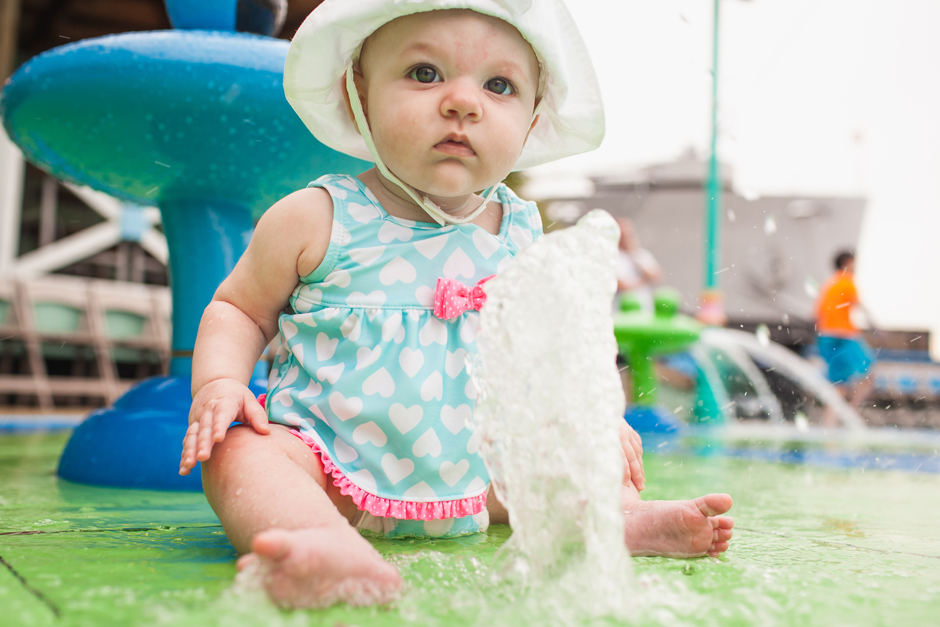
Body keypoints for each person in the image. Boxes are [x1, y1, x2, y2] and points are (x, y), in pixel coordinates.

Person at [178, 0, 734, 609]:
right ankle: (319, 540)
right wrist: (220, 381)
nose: (462, 102)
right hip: (332, 466)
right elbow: (239, 309)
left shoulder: (521, 233)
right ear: (356, 92)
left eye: (499, 86)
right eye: (424, 73)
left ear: (532, 119)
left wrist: (597, 415)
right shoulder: (317, 217)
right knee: (239, 454)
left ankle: (616, 518)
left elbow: (557, 345)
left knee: (586, 443)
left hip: (485, 480)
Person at [816, 250, 875, 411]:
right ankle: (853, 411)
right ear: (847, 263)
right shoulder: (847, 281)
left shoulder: (829, 284)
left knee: (838, 385)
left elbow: (816, 313)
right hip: (844, 336)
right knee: (868, 374)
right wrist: (874, 324)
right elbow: (859, 304)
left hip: (826, 338)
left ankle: (830, 426)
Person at [615, 217, 662, 312]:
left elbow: (657, 276)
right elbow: (621, 285)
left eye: (629, 234)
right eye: (623, 235)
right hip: (622, 311)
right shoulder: (614, 257)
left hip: (645, 309)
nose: (626, 239)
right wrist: (644, 280)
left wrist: (634, 257)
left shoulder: (641, 254)